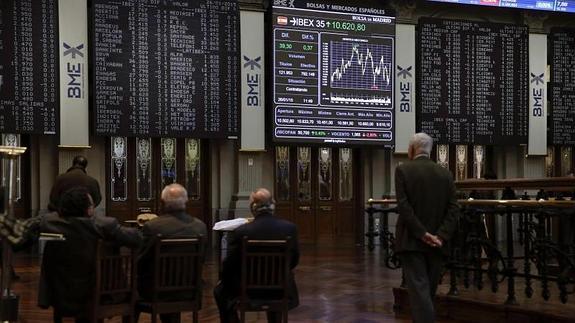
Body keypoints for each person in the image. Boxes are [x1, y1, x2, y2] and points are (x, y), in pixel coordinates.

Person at [0, 187, 142, 323]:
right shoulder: (105, 224)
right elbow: (136, 239)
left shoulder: (49, 222)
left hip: (61, 294)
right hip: (98, 295)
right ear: (88, 209)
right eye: (92, 205)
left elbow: (19, 235)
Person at [394, 133, 460, 323]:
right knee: (427, 292)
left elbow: (404, 207)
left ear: (412, 149)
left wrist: (422, 234)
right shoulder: (445, 174)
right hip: (437, 244)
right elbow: (454, 208)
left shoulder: (403, 171)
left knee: (420, 293)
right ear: (429, 150)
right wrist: (440, 236)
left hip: (411, 241)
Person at [214, 188, 300, 323]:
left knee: (220, 291)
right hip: (280, 290)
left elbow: (229, 265)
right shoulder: (289, 228)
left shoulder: (242, 232)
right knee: (281, 278)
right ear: (273, 205)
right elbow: (294, 260)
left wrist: (226, 280)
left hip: (248, 292)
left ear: (252, 207)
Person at [137, 183, 207, 323]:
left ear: (162, 202)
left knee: (133, 293)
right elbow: (202, 259)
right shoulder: (200, 226)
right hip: (189, 291)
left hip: (158, 292)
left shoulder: (152, 227)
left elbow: (141, 261)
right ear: (186, 201)